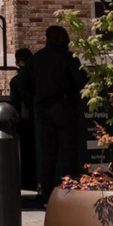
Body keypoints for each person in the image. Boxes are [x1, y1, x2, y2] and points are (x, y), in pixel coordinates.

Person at [28, 24, 87, 204]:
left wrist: (34, 103)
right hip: (64, 109)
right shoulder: (69, 59)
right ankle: (69, 191)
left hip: (43, 110)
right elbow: (82, 82)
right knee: (68, 152)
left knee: (48, 154)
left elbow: (23, 84)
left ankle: (47, 194)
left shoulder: (35, 60)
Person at [8, 47, 40, 195]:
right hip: (40, 118)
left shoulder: (17, 81)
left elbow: (14, 103)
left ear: (19, 62)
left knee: (27, 154)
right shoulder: (39, 77)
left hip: (25, 122)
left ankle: (28, 181)